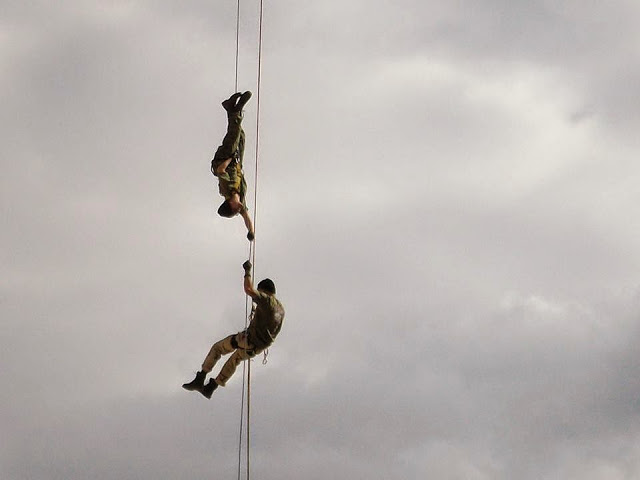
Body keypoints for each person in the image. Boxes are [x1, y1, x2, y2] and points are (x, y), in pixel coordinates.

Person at [182, 260, 285, 399]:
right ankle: (211, 387)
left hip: (248, 340)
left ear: (264, 290)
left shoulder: (266, 300)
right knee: (234, 360)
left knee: (218, 348)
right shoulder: (280, 309)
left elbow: (249, 289)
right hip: (257, 348)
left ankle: (201, 378)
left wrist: (247, 271)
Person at [211, 91, 255, 241]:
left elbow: (220, 170)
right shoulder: (241, 199)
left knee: (234, 134)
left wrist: (230, 158)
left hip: (224, 159)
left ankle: (235, 110)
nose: (239, 210)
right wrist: (251, 232)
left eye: (235, 210)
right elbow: (247, 218)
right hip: (236, 163)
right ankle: (230, 109)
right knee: (240, 137)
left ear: (230, 203)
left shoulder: (226, 189)